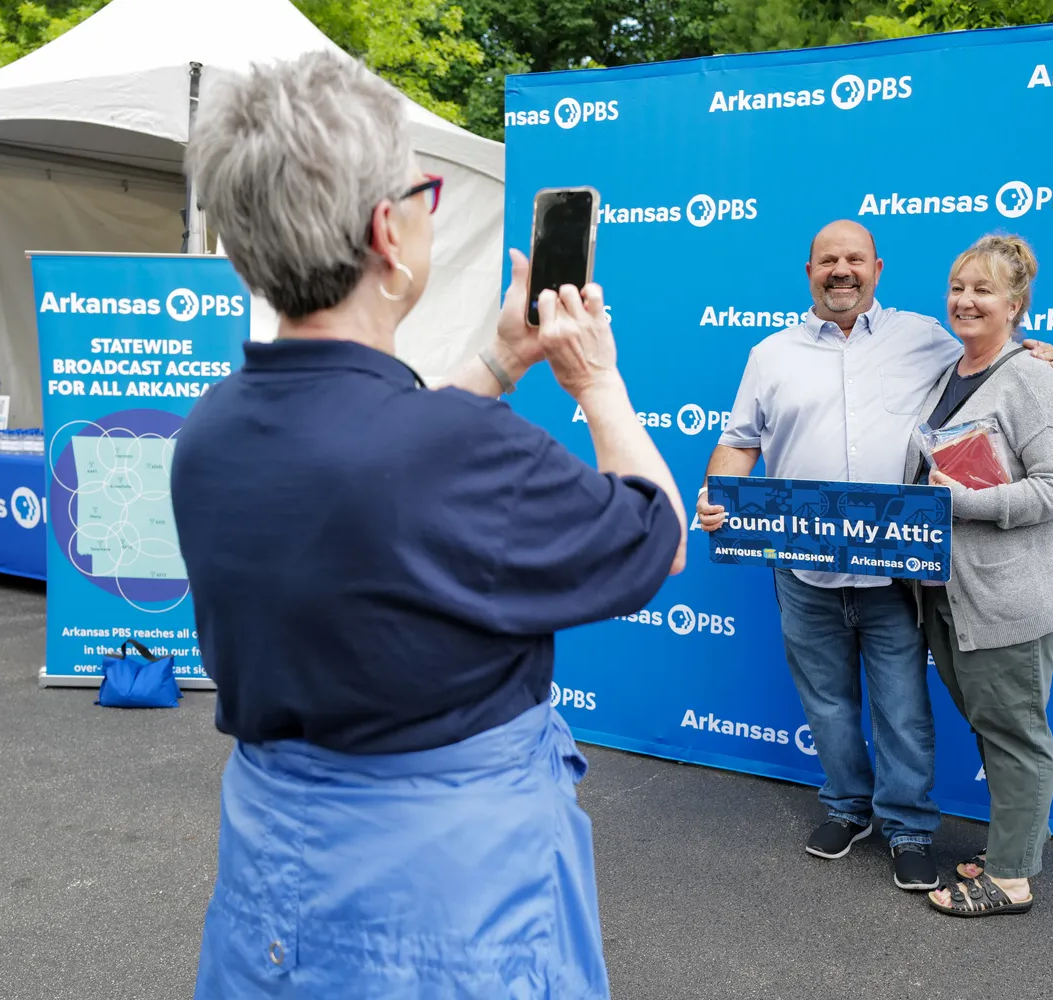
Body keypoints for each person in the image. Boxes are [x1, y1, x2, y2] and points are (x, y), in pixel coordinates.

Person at [172, 51, 685, 998]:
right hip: (448, 909)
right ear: (386, 232)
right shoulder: (450, 449)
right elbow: (654, 533)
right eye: (424, 189)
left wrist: (494, 361)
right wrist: (596, 381)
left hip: (271, 885)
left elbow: (365, 451)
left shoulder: (211, 428)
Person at [696, 220, 1053, 892]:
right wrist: (716, 491)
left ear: (877, 268)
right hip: (802, 570)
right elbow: (739, 439)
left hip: (894, 570)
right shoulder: (770, 352)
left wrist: (1037, 352)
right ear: (809, 270)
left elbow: (991, 356)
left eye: (855, 259)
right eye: (828, 260)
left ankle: (908, 826)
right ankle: (846, 807)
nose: (842, 270)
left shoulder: (926, 338)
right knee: (828, 704)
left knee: (901, 706)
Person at [904, 234, 1053, 917]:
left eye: (982, 290)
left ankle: (1011, 879)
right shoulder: (947, 371)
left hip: (1010, 595)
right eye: (958, 287)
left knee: (1015, 733)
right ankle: (1016, 847)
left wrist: (959, 504)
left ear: (1015, 305)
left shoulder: (1035, 380)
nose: (965, 300)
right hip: (952, 593)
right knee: (997, 726)